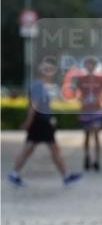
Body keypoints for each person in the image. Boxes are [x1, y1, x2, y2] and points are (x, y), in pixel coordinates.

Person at [7, 59, 82, 188]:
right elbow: (33, 106)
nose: (49, 72)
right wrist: (28, 123)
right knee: (51, 150)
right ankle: (66, 176)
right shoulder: (38, 86)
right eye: (46, 70)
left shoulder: (43, 86)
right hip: (40, 122)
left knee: (31, 149)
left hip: (42, 122)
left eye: (51, 69)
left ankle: (15, 174)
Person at [73, 56, 102, 171]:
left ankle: (97, 160)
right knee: (87, 136)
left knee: (97, 135)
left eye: (92, 65)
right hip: (85, 110)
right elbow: (76, 93)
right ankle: (87, 156)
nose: (90, 67)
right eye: (88, 65)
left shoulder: (100, 79)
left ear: (95, 66)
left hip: (96, 110)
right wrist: (81, 101)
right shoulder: (81, 80)